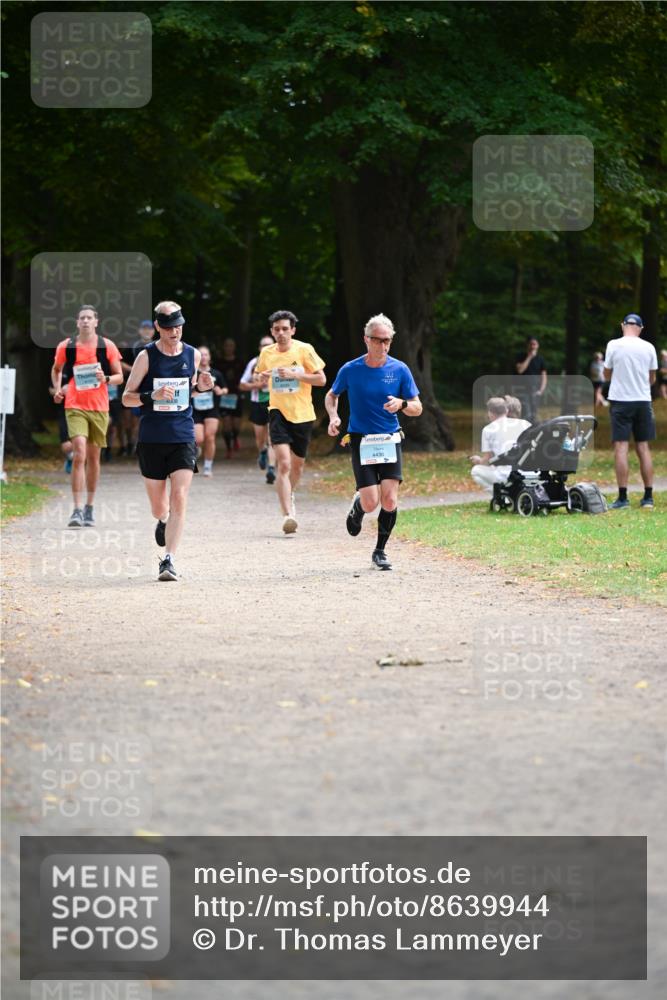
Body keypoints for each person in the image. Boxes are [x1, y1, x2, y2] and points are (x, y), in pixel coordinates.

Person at [122, 300, 214, 580]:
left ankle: (169, 560)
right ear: (159, 328)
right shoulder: (146, 357)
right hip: (152, 438)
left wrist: (201, 387)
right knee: (159, 506)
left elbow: (189, 393)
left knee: (180, 497)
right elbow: (127, 397)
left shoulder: (193, 355)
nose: (176, 332)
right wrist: (151, 396)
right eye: (170, 327)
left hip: (183, 435)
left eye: (179, 326)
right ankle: (162, 520)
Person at [325, 313, 421, 571]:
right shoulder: (351, 369)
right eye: (378, 340)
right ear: (366, 340)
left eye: (387, 340)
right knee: (371, 502)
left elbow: (417, 407)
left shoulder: (400, 369)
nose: (383, 345)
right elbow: (331, 395)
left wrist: (402, 404)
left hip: (390, 439)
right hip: (362, 440)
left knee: (389, 500)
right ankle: (358, 506)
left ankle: (380, 551)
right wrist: (334, 417)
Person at [51, 305, 124, 527]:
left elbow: (120, 376)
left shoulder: (106, 346)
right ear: (77, 322)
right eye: (81, 318)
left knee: (93, 457)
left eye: (89, 318)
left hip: (99, 406)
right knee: (79, 452)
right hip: (74, 404)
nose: (85, 321)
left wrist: (106, 379)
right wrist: (57, 388)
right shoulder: (67, 346)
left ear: (96, 322)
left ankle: (89, 507)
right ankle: (76, 509)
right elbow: (56, 369)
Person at [255, 310, 326, 533]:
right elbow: (259, 376)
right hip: (278, 412)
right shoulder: (267, 352)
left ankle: (289, 494)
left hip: (303, 414)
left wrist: (296, 375)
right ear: (272, 332)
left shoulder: (304, 349)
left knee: (298, 466)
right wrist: (263, 377)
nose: (281, 333)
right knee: (283, 464)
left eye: (285, 328)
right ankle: (287, 515)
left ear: (293, 330)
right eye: (277, 329)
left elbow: (321, 379)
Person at [603, 313, 658, 510]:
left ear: (623, 325)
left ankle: (623, 498)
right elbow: (652, 379)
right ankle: (648, 497)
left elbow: (606, 374)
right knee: (643, 447)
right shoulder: (649, 347)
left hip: (620, 401)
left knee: (621, 447)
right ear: (640, 328)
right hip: (643, 401)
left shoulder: (613, 345)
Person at [469, 397, 530, 491]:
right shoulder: (525, 424)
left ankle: (500, 496)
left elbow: (488, 458)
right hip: (528, 472)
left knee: (476, 470)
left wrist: (479, 461)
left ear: (490, 413)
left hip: (505, 474)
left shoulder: (488, 429)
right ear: (506, 410)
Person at [239, 335, 276, 484]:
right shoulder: (254, 363)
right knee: (260, 438)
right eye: (263, 345)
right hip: (257, 404)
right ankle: (262, 452)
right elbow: (242, 384)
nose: (266, 347)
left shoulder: (279, 361)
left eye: (269, 344)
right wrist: (257, 386)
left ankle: (271, 469)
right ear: (259, 348)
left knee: (272, 438)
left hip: (275, 403)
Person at [192, 345, 227, 476]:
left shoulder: (216, 374)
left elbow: (225, 389)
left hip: (212, 409)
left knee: (210, 437)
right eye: (201, 354)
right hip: (196, 409)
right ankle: (196, 450)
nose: (203, 357)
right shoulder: (193, 373)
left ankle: (207, 466)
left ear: (209, 357)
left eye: (206, 354)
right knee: (199, 438)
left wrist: (220, 391)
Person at [123, 320, 157, 454]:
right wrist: (136, 370)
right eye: (144, 328)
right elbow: (119, 362)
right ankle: (130, 443)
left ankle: (142, 444)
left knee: (147, 417)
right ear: (139, 331)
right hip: (133, 387)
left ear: (154, 331)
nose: (147, 331)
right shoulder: (133, 346)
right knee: (130, 420)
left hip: (152, 388)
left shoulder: (159, 346)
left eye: (150, 329)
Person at [219, 337, 246, 458]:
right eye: (226, 345)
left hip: (237, 395)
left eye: (231, 345)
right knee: (226, 424)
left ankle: (235, 438)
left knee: (236, 424)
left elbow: (245, 378)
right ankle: (229, 449)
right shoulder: (219, 362)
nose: (229, 348)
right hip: (224, 396)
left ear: (234, 347)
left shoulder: (240, 362)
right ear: (224, 347)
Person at [515, 336, 547, 424]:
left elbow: (544, 376)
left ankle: (532, 433)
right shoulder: (521, 356)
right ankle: (525, 433)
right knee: (525, 413)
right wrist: (529, 357)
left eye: (534, 344)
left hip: (535, 390)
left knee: (534, 414)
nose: (533, 346)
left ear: (538, 345)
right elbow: (520, 370)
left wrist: (541, 390)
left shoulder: (540, 359)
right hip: (522, 390)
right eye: (531, 344)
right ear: (527, 345)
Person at [48, 384, 73, 473]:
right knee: (66, 445)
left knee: (81, 441)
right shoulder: (60, 371)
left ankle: (78, 460)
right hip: (64, 411)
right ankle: (71, 457)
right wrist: (60, 391)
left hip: (83, 409)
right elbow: (51, 389)